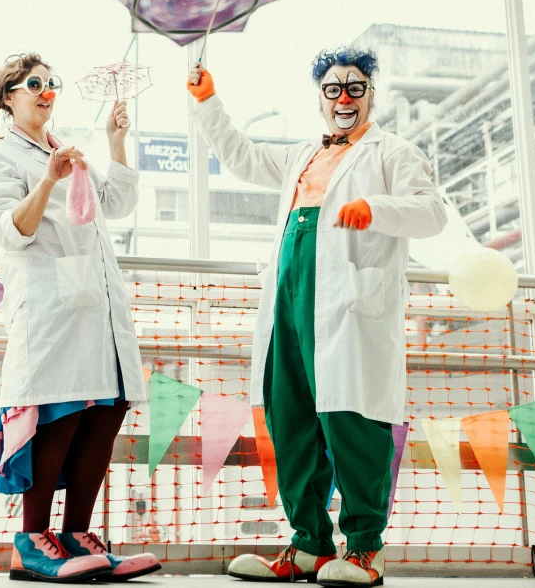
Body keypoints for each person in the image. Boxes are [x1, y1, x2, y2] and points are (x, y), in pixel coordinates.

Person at [187, 48, 447, 587]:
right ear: (321, 99)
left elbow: (431, 213)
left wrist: (378, 209)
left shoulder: (391, 153)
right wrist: (208, 101)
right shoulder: (303, 154)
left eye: (355, 87)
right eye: (333, 89)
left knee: (352, 422)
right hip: (289, 300)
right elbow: (239, 156)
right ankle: (308, 544)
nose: (344, 98)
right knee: (290, 419)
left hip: (349, 307)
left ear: (372, 93)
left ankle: (365, 550)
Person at [0, 53, 161, 583]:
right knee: (59, 414)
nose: (46, 90)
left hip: (97, 312)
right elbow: (13, 231)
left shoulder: (68, 153)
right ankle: (34, 543)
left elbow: (116, 203)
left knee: (105, 412)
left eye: (51, 82)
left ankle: (78, 536)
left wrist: (115, 142)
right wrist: (48, 182)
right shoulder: (0, 161)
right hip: (51, 310)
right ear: (8, 95)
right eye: (34, 83)